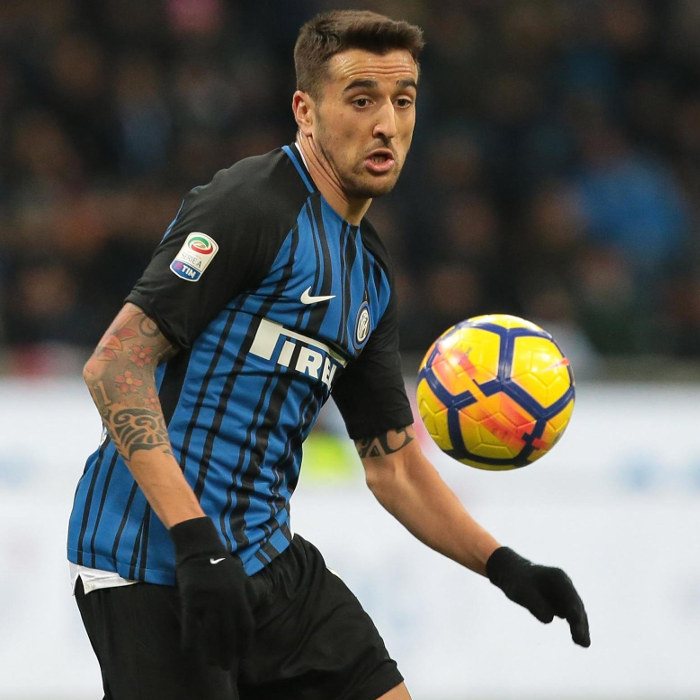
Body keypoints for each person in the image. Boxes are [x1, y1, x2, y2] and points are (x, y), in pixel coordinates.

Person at [67, 10, 590, 700]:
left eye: (403, 101)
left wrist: (502, 565)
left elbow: (394, 465)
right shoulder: (248, 205)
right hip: (152, 561)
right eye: (362, 100)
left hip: (264, 556)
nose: (387, 125)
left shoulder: (369, 273)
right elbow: (115, 365)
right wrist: (195, 540)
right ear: (305, 111)